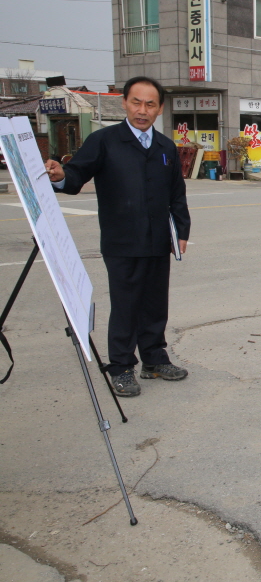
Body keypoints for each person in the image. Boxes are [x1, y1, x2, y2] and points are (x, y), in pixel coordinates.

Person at [44, 76, 190, 397]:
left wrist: (182, 230)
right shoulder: (105, 140)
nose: (142, 110)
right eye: (136, 102)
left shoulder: (166, 146)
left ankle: (153, 359)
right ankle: (121, 367)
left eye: (150, 104)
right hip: (121, 242)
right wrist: (60, 176)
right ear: (124, 102)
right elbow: (77, 174)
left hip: (157, 240)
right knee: (126, 305)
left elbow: (176, 194)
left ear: (159, 108)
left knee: (155, 304)